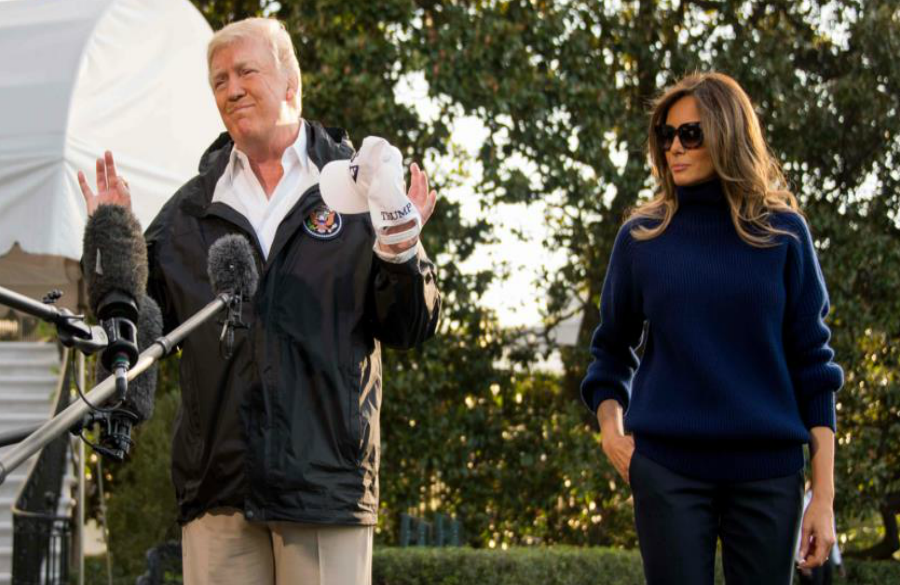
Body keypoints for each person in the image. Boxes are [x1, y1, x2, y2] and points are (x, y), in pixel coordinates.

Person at [77, 17, 440, 585]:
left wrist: (401, 251)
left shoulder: (358, 188)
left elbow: (410, 327)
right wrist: (115, 240)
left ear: (291, 83)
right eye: (219, 80)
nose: (232, 89)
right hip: (219, 490)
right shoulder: (192, 207)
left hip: (324, 485)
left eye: (246, 71)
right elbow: (136, 325)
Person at [581, 72, 842, 585]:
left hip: (770, 472)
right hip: (667, 470)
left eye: (690, 134)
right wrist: (612, 433)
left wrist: (824, 495)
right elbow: (610, 351)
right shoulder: (642, 238)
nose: (674, 147)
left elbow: (815, 366)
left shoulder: (784, 234)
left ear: (728, 134)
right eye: (666, 134)